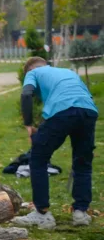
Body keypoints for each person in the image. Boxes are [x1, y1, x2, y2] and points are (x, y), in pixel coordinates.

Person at [12, 57, 98, 229]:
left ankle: (42, 214)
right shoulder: (67, 72)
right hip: (88, 110)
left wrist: (28, 124)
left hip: (63, 111)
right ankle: (80, 212)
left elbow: (26, 93)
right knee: (83, 162)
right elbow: (78, 97)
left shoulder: (33, 73)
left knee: (37, 159)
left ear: (28, 71)